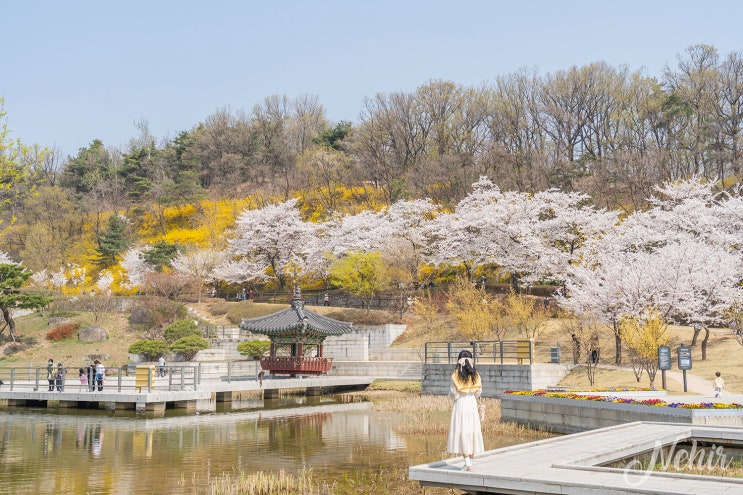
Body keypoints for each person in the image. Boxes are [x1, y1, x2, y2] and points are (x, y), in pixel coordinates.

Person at [447, 350, 484, 472]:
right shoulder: (476, 375)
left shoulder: (456, 375)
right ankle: (470, 459)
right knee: (471, 430)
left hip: (461, 404)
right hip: (472, 403)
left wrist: (455, 398)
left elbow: (454, 394)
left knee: (462, 431)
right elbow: (478, 392)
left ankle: (468, 463)